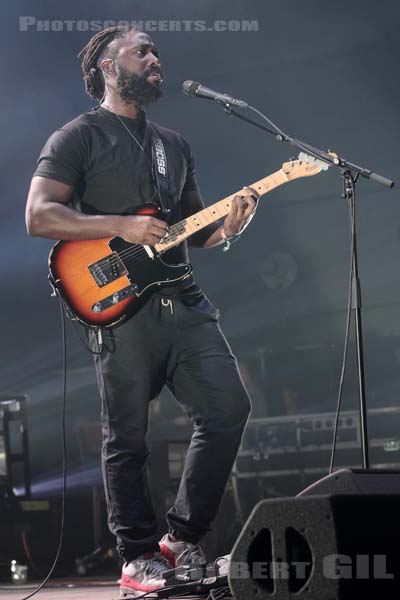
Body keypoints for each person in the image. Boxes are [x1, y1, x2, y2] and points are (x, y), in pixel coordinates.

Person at [25, 25, 258, 598]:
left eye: (156, 50)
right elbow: (39, 215)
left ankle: (180, 539)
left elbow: (193, 227)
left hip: (185, 299)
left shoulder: (173, 144)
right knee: (128, 436)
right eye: (143, 50)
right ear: (108, 66)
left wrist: (228, 227)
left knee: (229, 408)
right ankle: (134, 557)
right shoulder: (77, 136)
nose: (156, 58)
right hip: (122, 308)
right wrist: (119, 225)